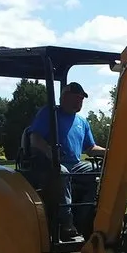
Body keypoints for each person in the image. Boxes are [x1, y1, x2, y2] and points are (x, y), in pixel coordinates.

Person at [28, 82, 106, 240]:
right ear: (64, 97)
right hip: (49, 164)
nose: (80, 101)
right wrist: (50, 152)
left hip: (76, 165)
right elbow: (34, 138)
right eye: (76, 98)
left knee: (100, 172)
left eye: (82, 99)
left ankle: (85, 219)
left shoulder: (82, 122)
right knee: (62, 172)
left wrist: (109, 153)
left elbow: (90, 148)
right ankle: (66, 222)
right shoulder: (49, 114)